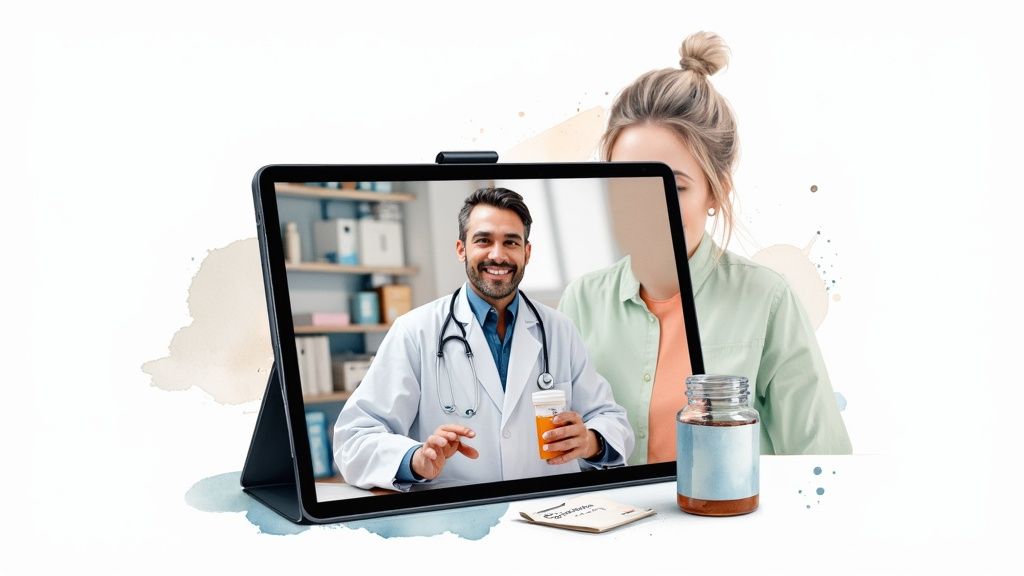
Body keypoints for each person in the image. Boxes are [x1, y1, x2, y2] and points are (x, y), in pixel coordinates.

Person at [558, 31, 852, 465]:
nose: (647, 209)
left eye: (673, 187)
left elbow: (823, 465)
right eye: (628, 184)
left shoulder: (766, 300)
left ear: (715, 193)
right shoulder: (580, 301)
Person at [335, 187, 634, 490]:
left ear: (526, 253)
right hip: (459, 518)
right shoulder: (414, 331)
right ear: (461, 249)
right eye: (483, 240)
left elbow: (611, 418)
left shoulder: (559, 329)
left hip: (552, 511)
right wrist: (415, 459)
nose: (497, 255)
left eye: (511, 242)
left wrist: (591, 441)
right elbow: (354, 438)